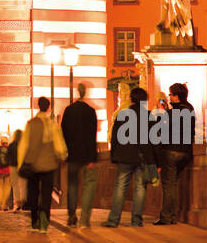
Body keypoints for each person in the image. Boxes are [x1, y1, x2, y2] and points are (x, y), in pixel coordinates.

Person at [104, 87, 157, 228]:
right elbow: (154, 141)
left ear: (132, 99)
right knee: (140, 188)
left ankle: (113, 220)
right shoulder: (150, 116)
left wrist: (113, 155)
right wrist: (155, 161)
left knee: (120, 187)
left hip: (124, 156)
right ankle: (136, 221)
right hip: (142, 157)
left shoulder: (122, 115)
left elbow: (114, 138)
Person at [17, 97, 68, 232]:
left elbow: (24, 145)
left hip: (32, 165)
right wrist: (63, 156)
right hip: (49, 165)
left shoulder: (31, 124)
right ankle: (44, 222)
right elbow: (59, 144)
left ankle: (34, 222)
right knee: (46, 194)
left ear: (38, 106)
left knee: (33, 193)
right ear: (48, 108)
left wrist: (20, 162)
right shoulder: (52, 125)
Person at [61, 82, 100, 228]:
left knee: (72, 185)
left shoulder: (69, 110)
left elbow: (63, 133)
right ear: (86, 93)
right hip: (87, 155)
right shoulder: (90, 111)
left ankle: (71, 216)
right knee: (89, 185)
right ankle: (84, 218)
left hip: (71, 155)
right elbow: (92, 135)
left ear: (77, 92)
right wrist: (93, 157)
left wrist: (65, 154)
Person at [156, 83, 195, 225]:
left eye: (171, 94)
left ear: (177, 97)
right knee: (173, 184)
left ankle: (167, 217)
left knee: (168, 185)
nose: (169, 96)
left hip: (171, 151)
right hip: (186, 152)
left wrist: (161, 113)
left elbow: (161, 128)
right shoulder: (190, 110)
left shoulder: (172, 113)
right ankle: (172, 216)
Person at [6, 129, 25, 211]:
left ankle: (17, 202)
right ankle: (24, 201)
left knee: (15, 185)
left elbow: (7, 156)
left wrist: (9, 162)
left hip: (13, 166)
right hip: (22, 166)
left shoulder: (11, 145)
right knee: (23, 184)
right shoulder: (24, 144)